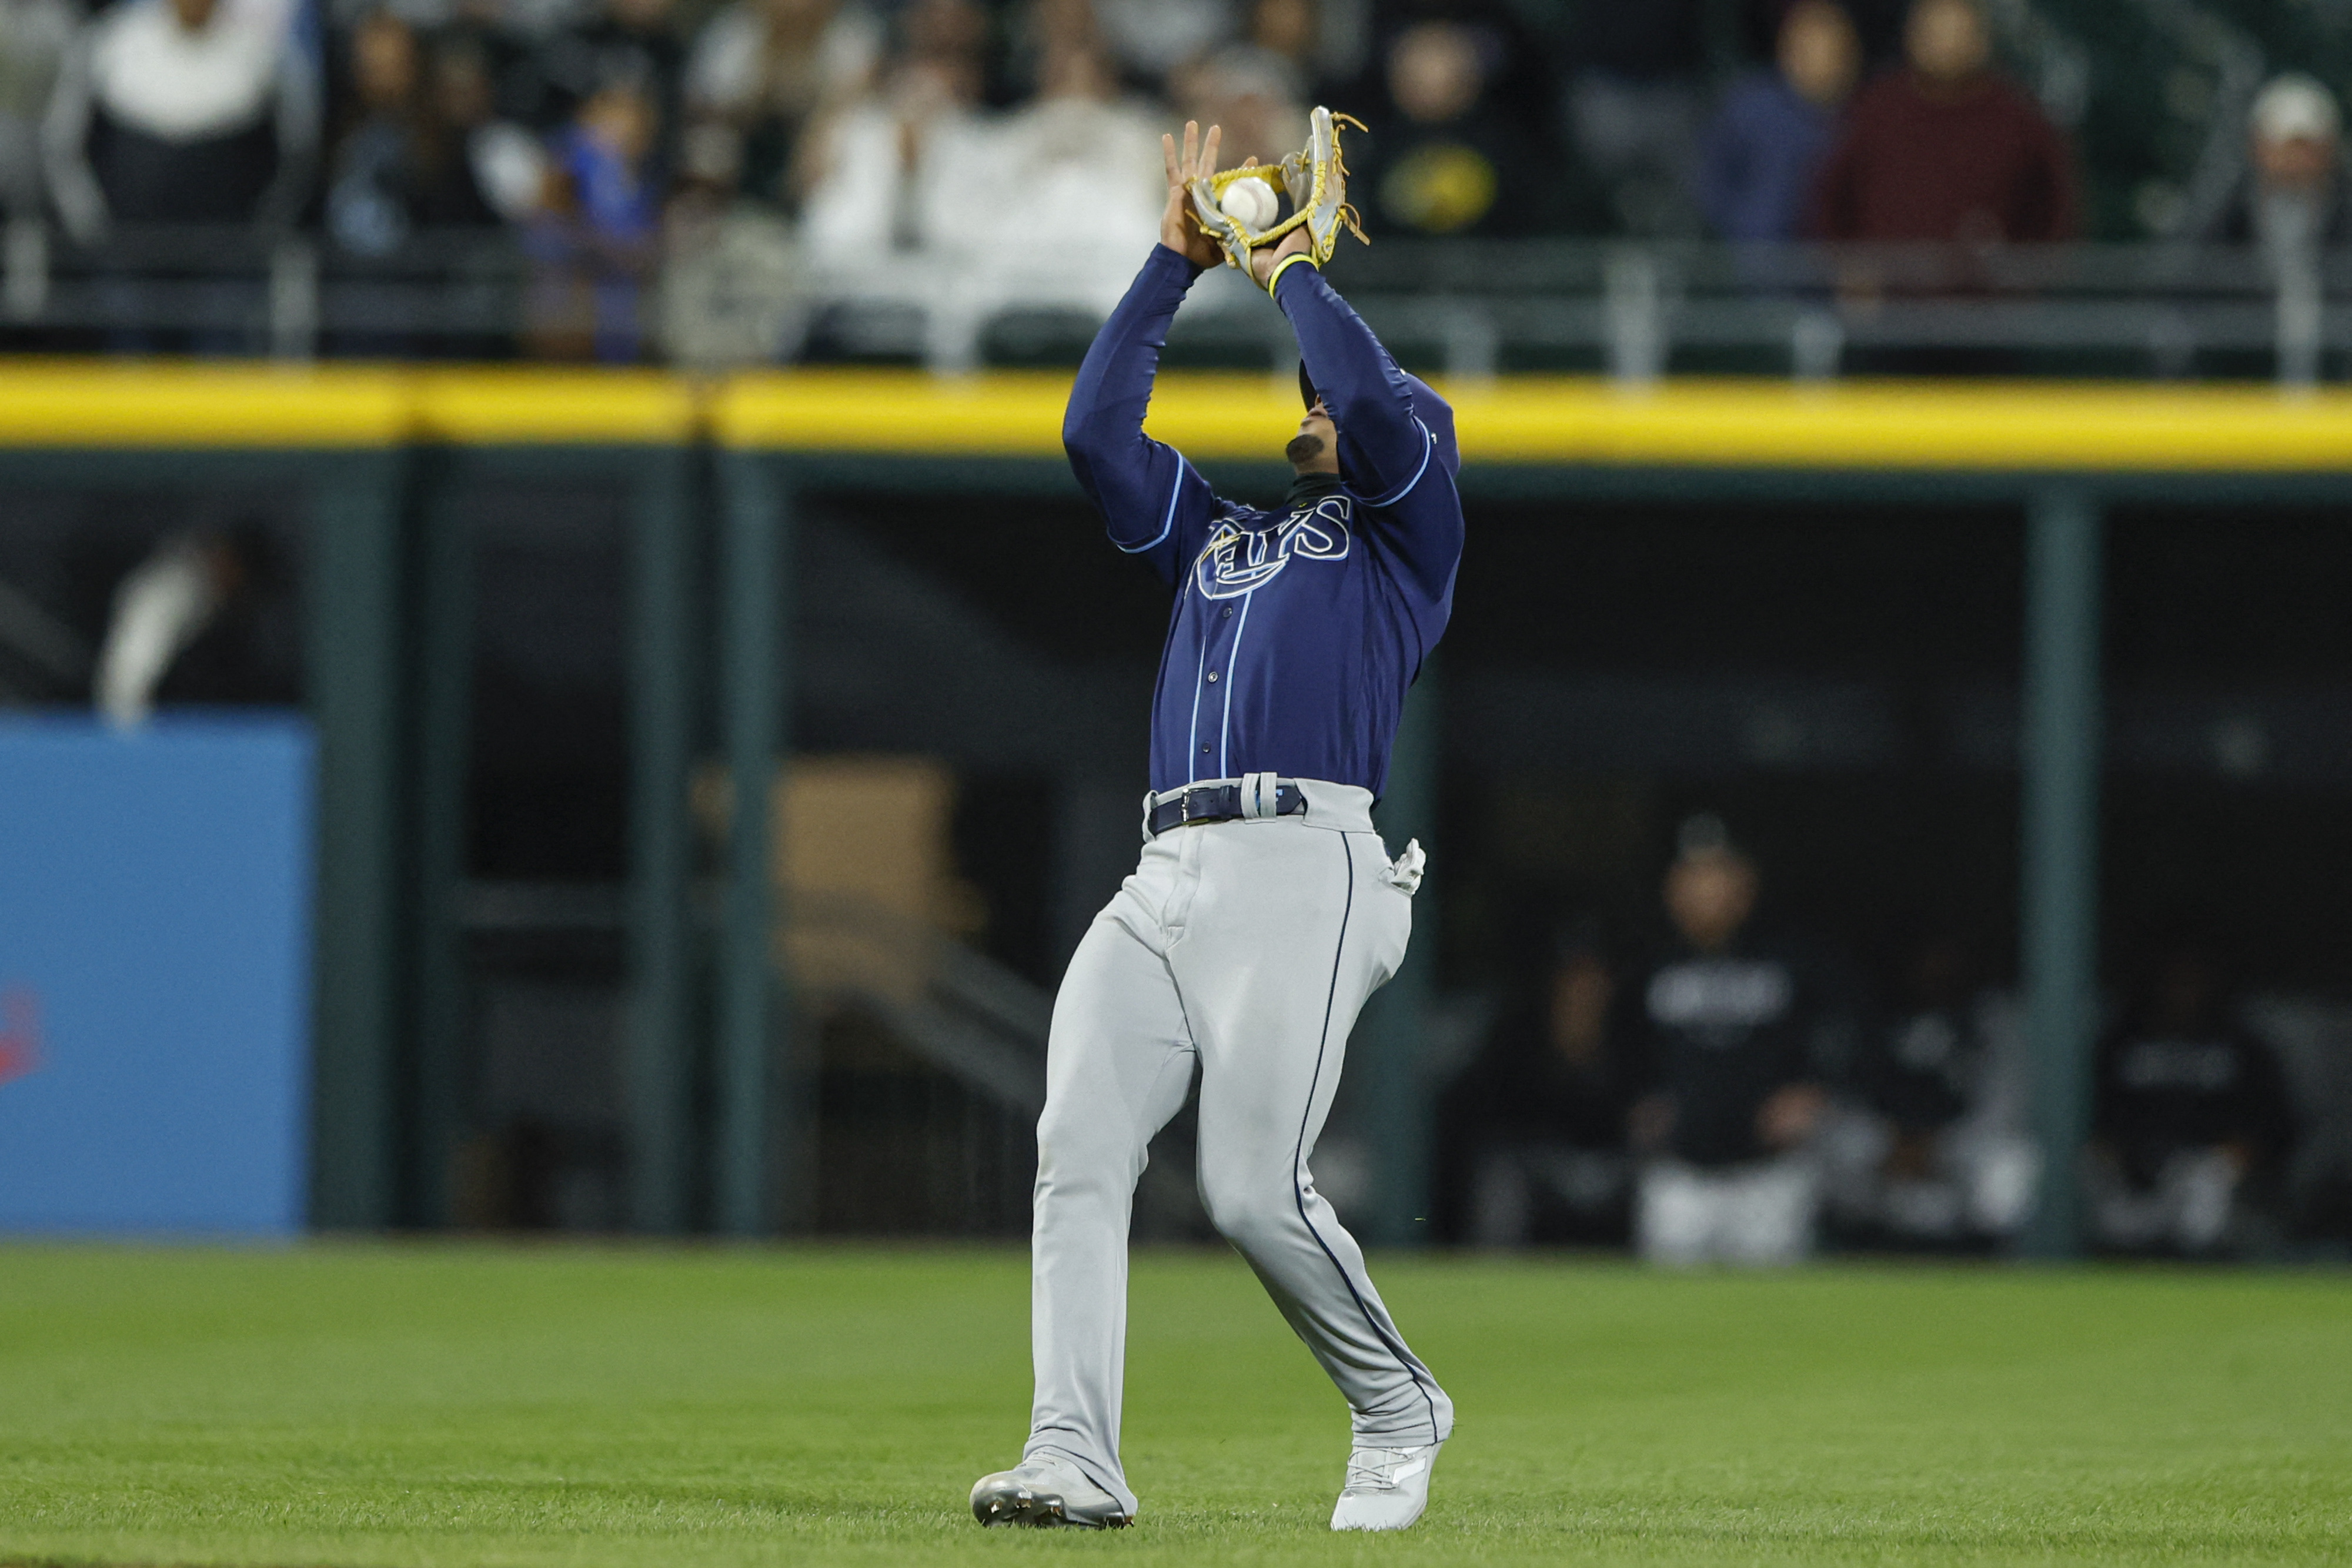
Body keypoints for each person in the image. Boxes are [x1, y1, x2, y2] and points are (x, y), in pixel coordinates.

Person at [970, 118, 1462, 1533]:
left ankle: (1394, 1400)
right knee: (1078, 1143)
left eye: (1330, 398)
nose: (1313, 407)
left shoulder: (1407, 537)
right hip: (1166, 870)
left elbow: (1373, 404)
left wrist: (1295, 262)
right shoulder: (1221, 533)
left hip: (1308, 866)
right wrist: (1172, 263)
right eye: (1303, 396)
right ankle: (1075, 1455)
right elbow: (1092, 436)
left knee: (1249, 1192)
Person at [1629, 815, 1834, 1266]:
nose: (1708, 892)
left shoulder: (1792, 958)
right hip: (1679, 1174)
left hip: (1768, 1174)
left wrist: (1814, 1090)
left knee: (1772, 1318)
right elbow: (1620, 1050)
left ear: (1746, 884)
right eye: (1695, 879)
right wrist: (1637, 1101)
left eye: (1719, 877)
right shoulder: (1649, 960)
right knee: (1667, 1316)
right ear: (1673, 888)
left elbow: (1846, 1035)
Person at [43, 0, 319, 246]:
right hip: (125, 242)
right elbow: (64, 144)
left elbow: (297, 151)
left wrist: (267, 228)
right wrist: (88, 223)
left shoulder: (264, 55)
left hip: (229, 247)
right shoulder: (112, 44)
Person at [1809, 0, 2076, 249]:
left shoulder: (2018, 118)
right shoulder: (1877, 110)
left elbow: (2056, 208)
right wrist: (1849, 272)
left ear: (1981, 40)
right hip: (1888, 292)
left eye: (1957, 32)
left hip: (1986, 295)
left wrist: (2025, 281)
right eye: (1934, 32)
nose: (1946, 44)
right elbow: (1831, 200)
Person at [2089, 940, 2297, 1256]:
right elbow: (2095, 1119)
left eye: (2192, 978)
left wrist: (2228, 1162)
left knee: (2205, 1203)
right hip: (2133, 1177)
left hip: (2208, 1175)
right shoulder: (2122, 1041)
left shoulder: (2241, 1045)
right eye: (2174, 978)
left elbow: (2271, 1125)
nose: (2183, 990)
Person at [1458, 922, 1636, 1246]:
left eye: (1591, 978)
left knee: (1665, 1181)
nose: (1582, 989)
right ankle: (1495, 1278)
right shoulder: (1519, 1037)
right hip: (1540, 1165)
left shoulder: (1630, 1034)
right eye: (1572, 977)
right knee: (1501, 1180)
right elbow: (1491, 1115)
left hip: (1615, 1165)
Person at [1695, 0, 1860, 245]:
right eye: (1804, 46)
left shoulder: (1871, 117)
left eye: (1829, 47)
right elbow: (1710, 183)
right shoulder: (1749, 110)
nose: (1816, 57)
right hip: (1753, 264)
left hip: (1832, 267)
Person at [2193, 74, 2352, 255]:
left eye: (2306, 147)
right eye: (2284, 147)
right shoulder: (2226, 217)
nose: (2294, 159)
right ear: (2258, 147)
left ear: (2329, 149)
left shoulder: (2345, 212)